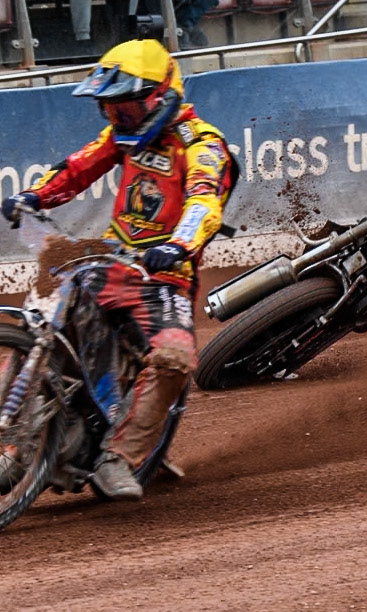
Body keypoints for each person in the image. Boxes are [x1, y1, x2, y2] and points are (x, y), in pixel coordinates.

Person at [0, 38, 238, 500]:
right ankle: (27, 431)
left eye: (125, 109)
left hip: (162, 278)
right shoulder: (119, 139)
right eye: (109, 110)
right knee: (53, 314)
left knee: (173, 357)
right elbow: (77, 167)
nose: (117, 119)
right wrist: (34, 196)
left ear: (160, 96)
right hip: (111, 260)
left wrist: (178, 245)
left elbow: (204, 201)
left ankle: (118, 456)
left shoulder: (203, 145)